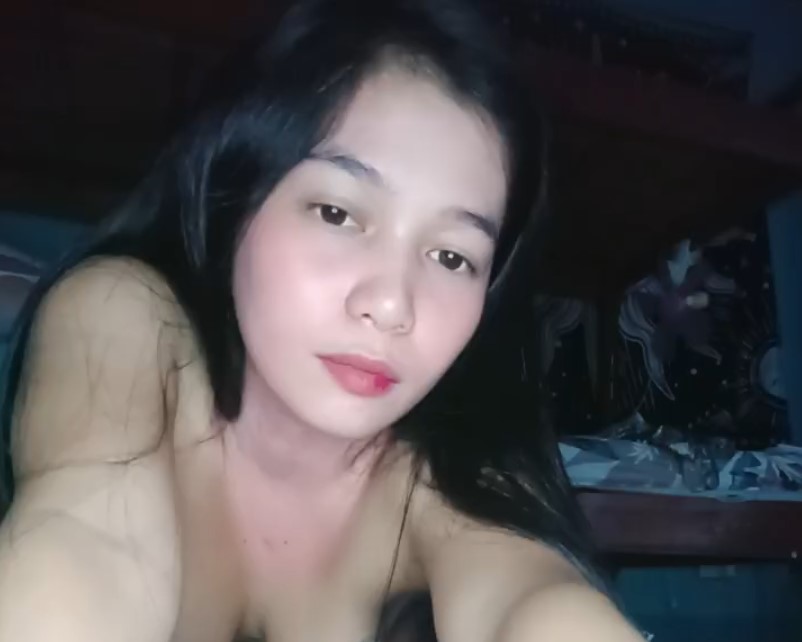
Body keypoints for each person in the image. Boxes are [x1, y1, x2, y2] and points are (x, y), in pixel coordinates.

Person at [0, 0, 644, 640]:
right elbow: (83, 537)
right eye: (337, 214)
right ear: (235, 196)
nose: (391, 306)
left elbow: (532, 597)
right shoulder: (124, 313)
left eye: (452, 257)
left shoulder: (456, 470)